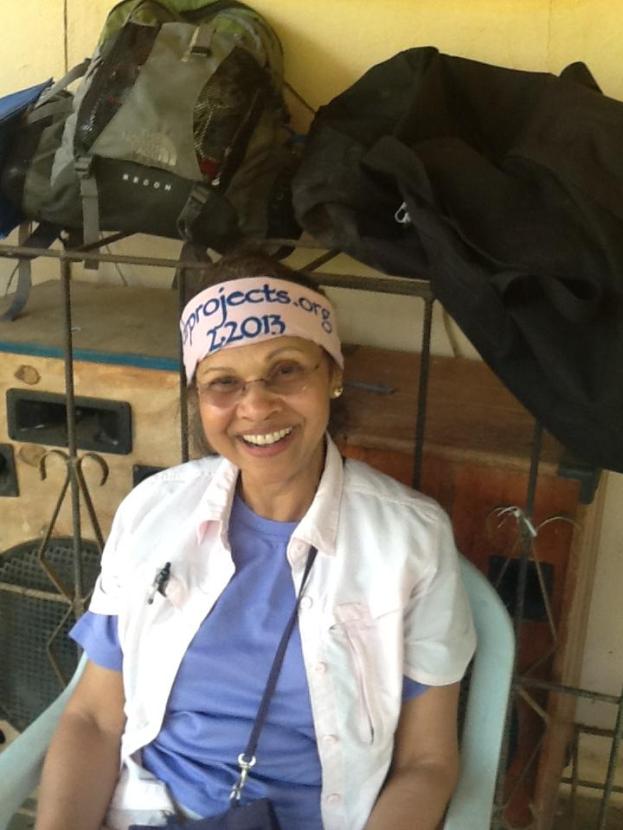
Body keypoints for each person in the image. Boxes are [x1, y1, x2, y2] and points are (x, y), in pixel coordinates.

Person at [35, 254, 476, 830]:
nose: (257, 406)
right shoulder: (153, 511)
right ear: (198, 397)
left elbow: (427, 762)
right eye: (223, 382)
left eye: (286, 370)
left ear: (333, 374)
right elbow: (94, 718)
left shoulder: (410, 538)